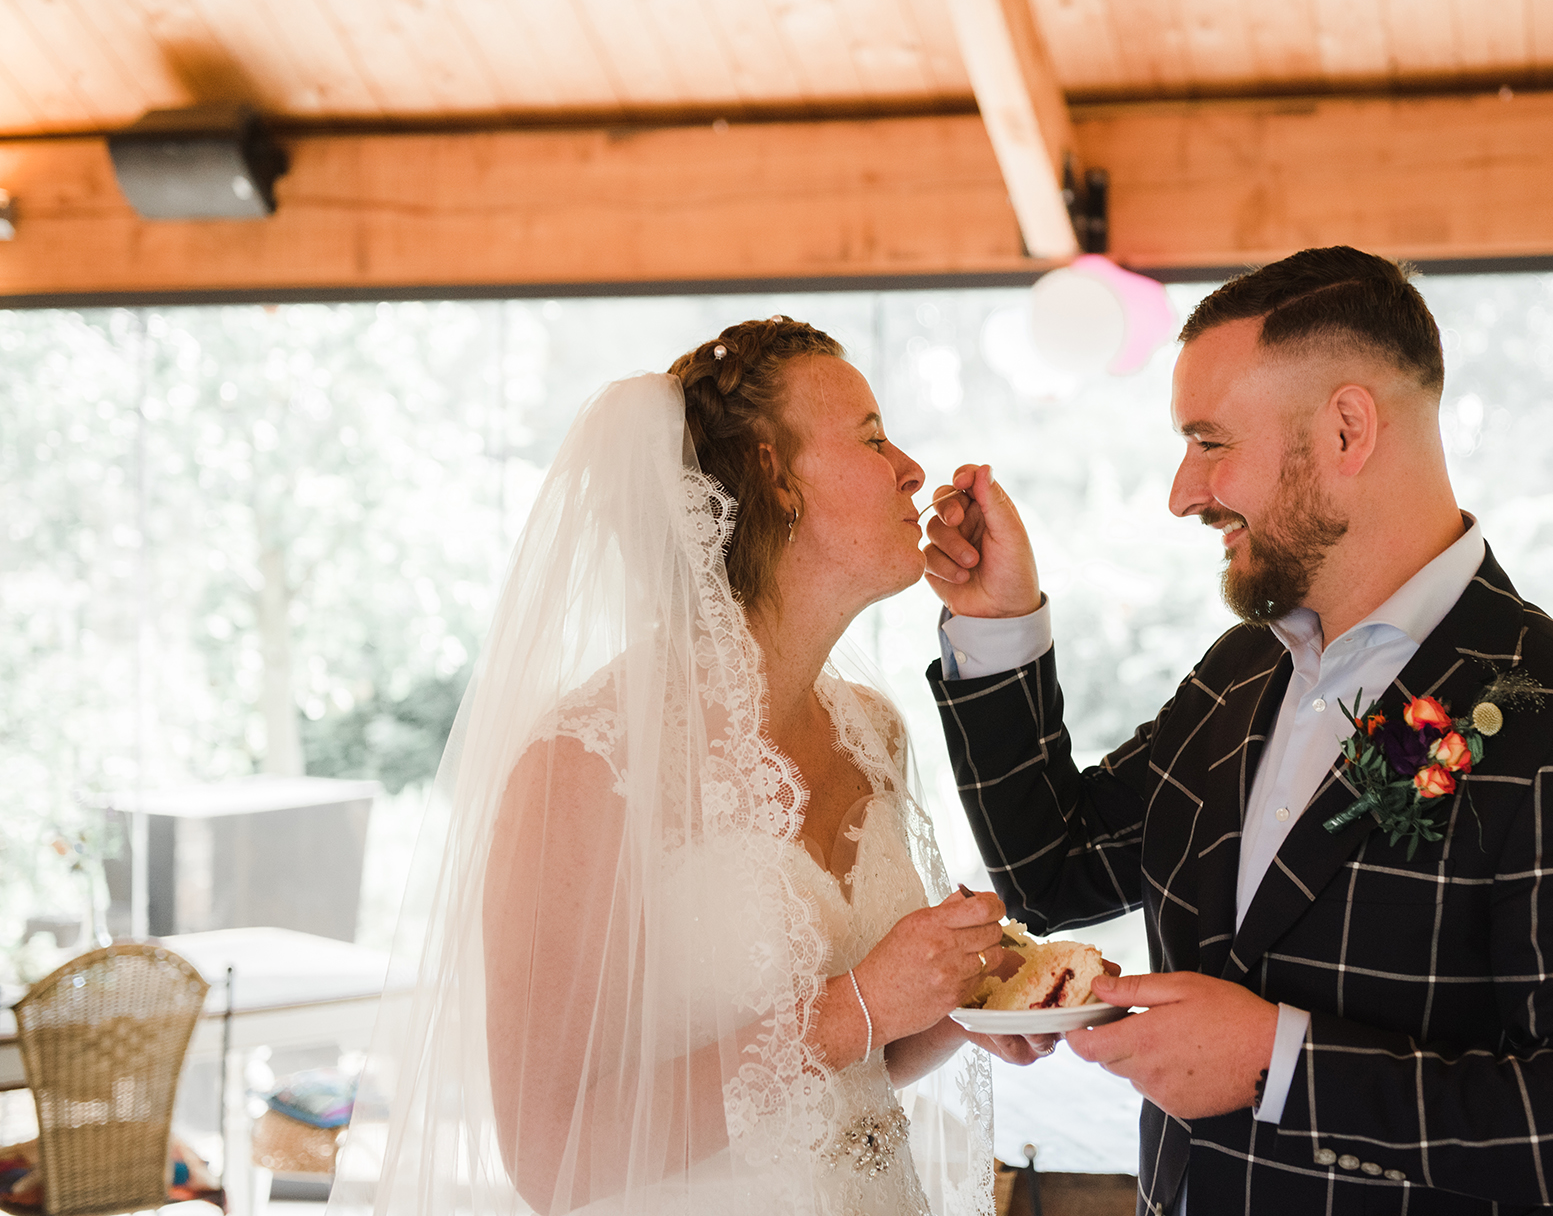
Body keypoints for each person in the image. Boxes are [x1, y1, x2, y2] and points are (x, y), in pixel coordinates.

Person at [922, 249, 1553, 1214]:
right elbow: (1055, 867)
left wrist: (1278, 1064)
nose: (1183, 491)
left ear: (1347, 428)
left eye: (1210, 442)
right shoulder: (1238, 676)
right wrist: (998, 625)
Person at [334, 318, 1034, 1216]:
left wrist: (961, 1003)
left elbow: (854, 1068)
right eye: (870, 436)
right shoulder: (586, 763)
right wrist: (857, 1000)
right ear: (775, 477)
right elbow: (552, 1157)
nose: (909, 467)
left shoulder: (874, 730)